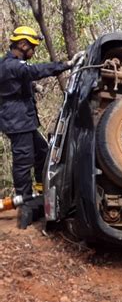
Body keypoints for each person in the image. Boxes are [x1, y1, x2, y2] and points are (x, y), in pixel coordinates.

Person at [0, 26, 82, 200]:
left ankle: (40, 190)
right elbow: (33, 71)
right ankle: (25, 199)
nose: (34, 51)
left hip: (23, 120)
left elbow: (16, 80)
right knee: (23, 161)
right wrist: (66, 65)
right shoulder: (11, 65)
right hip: (17, 121)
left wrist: (33, 87)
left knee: (42, 152)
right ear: (22, 44)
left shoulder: (11, 65)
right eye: (32, 47)